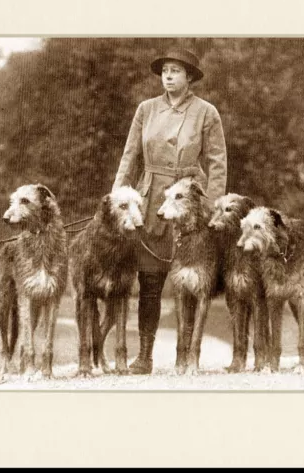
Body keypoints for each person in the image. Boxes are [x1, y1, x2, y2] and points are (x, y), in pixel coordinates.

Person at [112, 47, 228, 374]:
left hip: (190, 204)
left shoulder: (207, 112)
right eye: (165, 71)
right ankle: (145, 355)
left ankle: (185, 356)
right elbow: (129, 156)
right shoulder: (145, 109)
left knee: (190, 282)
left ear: (190, 77)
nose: (169, 76)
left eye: (176, 71)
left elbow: (218, 165)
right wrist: (119, 196)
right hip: (151, 203)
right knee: (149, 281)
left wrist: (212, 208)